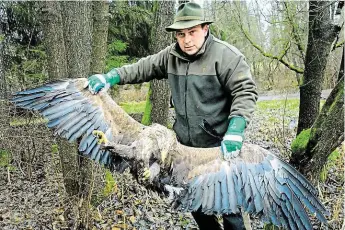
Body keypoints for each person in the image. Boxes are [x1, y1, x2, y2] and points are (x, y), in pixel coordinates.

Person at [87, 2, 258, 230]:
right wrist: (110, 77)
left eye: (192, 32)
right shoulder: (172, 55)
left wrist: (236, 130)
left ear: (205, 29)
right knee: (194, 201)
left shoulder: (227, 57)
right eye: (181, 34)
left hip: (217, 148)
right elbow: (142, 68)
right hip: (182, 148)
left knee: (228, 205)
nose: (186, 40)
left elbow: (245, 91)